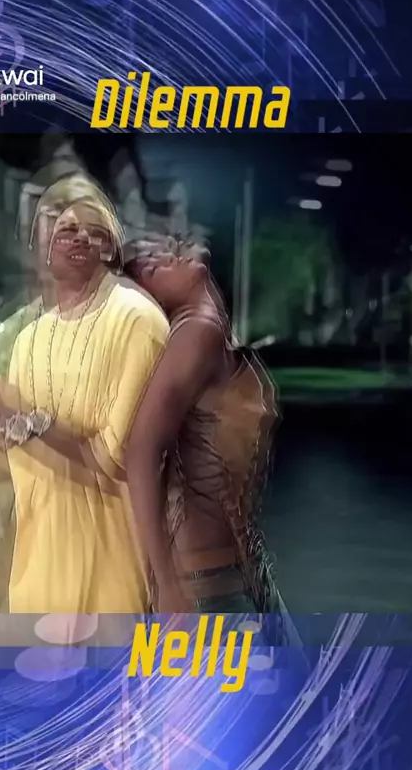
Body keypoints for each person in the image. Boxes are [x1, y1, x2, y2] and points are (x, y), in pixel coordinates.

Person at [0, 175, 169, 620]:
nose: (80, 236)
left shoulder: (138, 323)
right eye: (66, 227)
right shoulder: (27, 339)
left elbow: (116, 461)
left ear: (111, 248)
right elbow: (11, 451)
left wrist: (28, 420)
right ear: (44, 245)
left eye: (95, 229)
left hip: (111, 580)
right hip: (34, 580)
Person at [123, 239, 294, 642]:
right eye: (151, 267)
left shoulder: (208, 331)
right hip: (205, 585)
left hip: (244, 569)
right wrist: (167, 585)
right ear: (153, 301)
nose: (166, 252)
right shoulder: (195, 334)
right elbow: (140, 451)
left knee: (301, 678)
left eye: (158, 248)